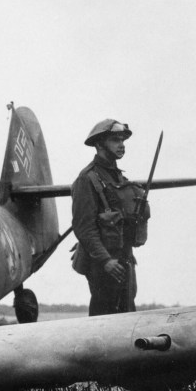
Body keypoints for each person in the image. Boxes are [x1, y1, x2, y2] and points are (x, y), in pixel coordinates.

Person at [71, 119, 149, 316]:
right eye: (115, 140)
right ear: (99, 144)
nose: (121, 145)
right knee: (103, 319)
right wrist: (106, 261)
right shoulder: (87, 178)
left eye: (122, 140)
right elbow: (84, 228)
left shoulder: (119, 178)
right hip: (103, 265)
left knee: (127, 314)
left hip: (125, 259)